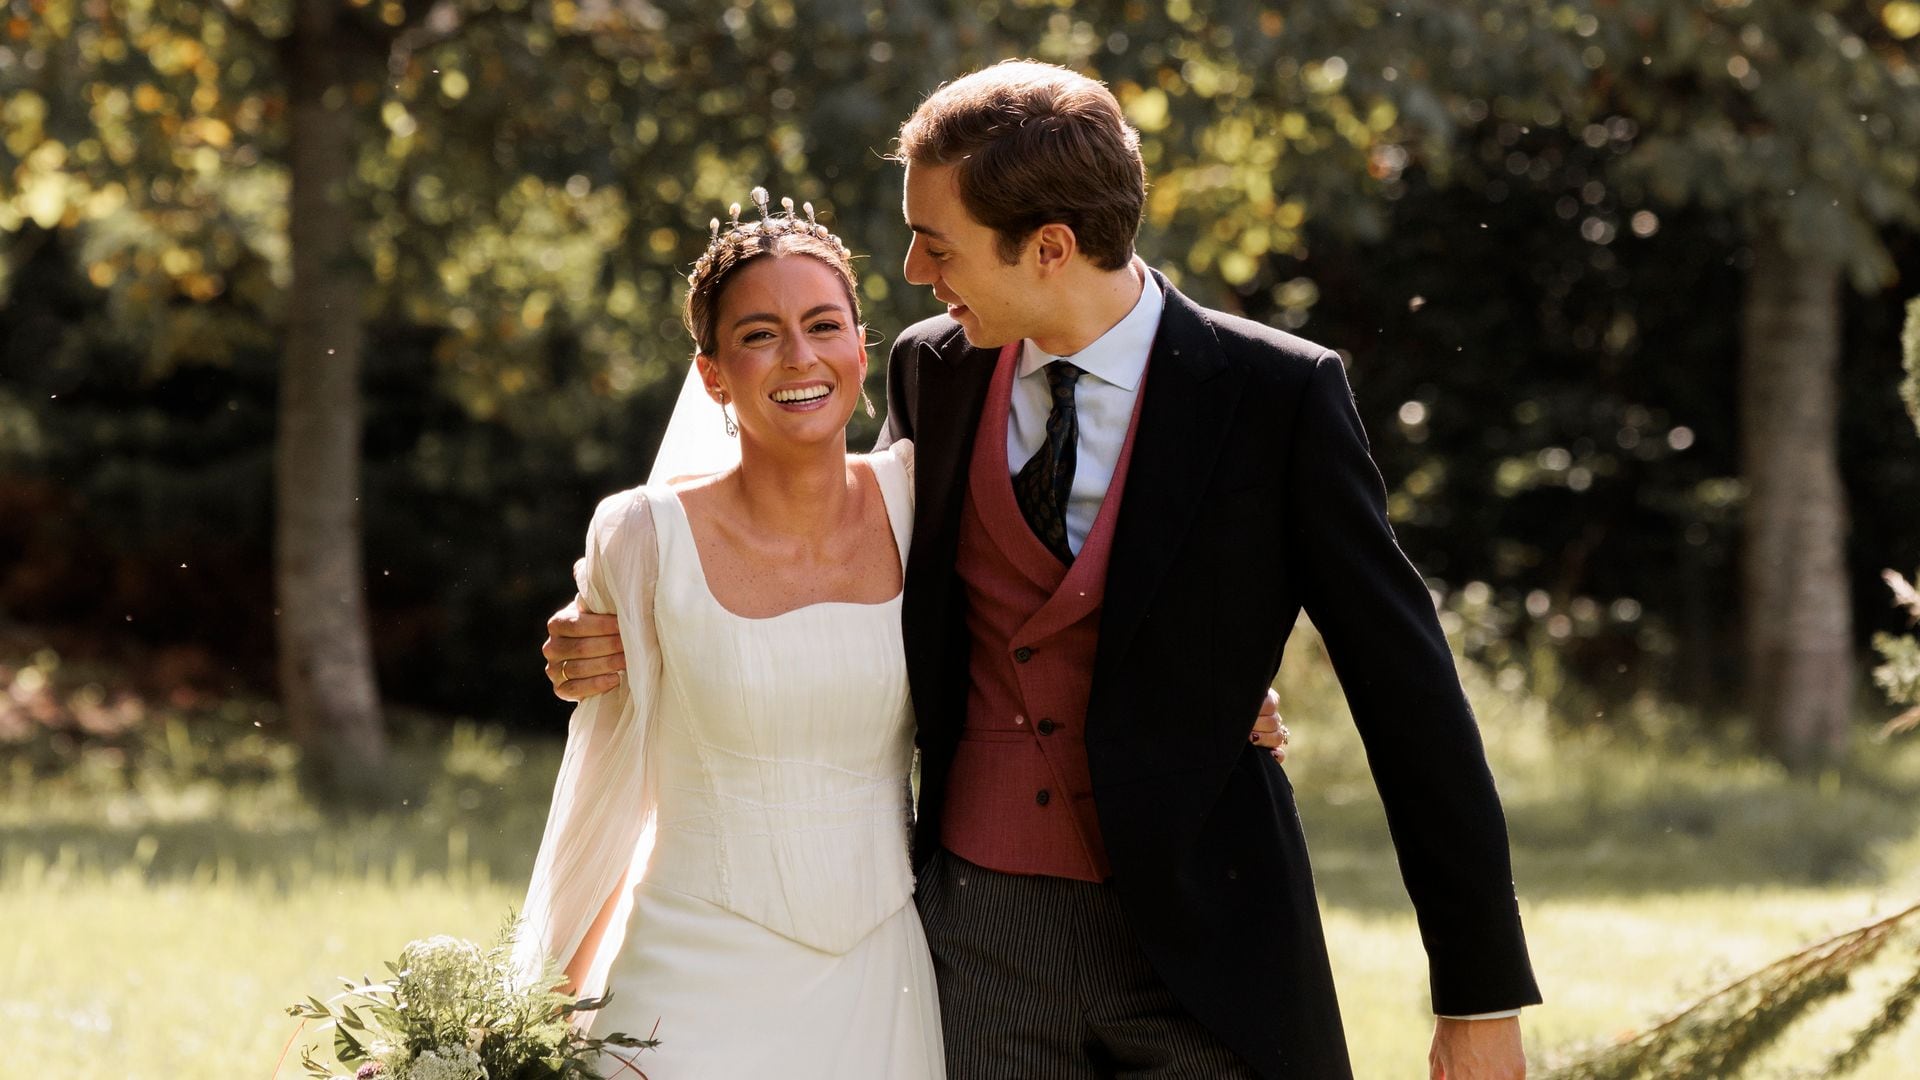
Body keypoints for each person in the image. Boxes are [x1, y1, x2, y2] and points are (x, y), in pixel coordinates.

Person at [548, 61, 1538, 1079]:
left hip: (1206, 938)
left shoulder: (1276, 396)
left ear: (1051, 248)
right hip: (979, 942)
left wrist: (1478, 993)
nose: (914, 272)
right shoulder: (933, 371)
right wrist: (621, 627)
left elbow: (1410, 696)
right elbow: (830, 558)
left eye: (938, 245)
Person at [519, 191, 1291, 1079]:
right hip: (687, 978)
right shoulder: (640, 537)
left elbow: (1057, 613)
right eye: (759, 335)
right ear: (712, 374)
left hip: (880, 977)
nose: (799, 357)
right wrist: (537, 1016)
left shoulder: (919, 496)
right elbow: (606, 781)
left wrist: (1215, 687)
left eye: (823, 325)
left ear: (861, 344)